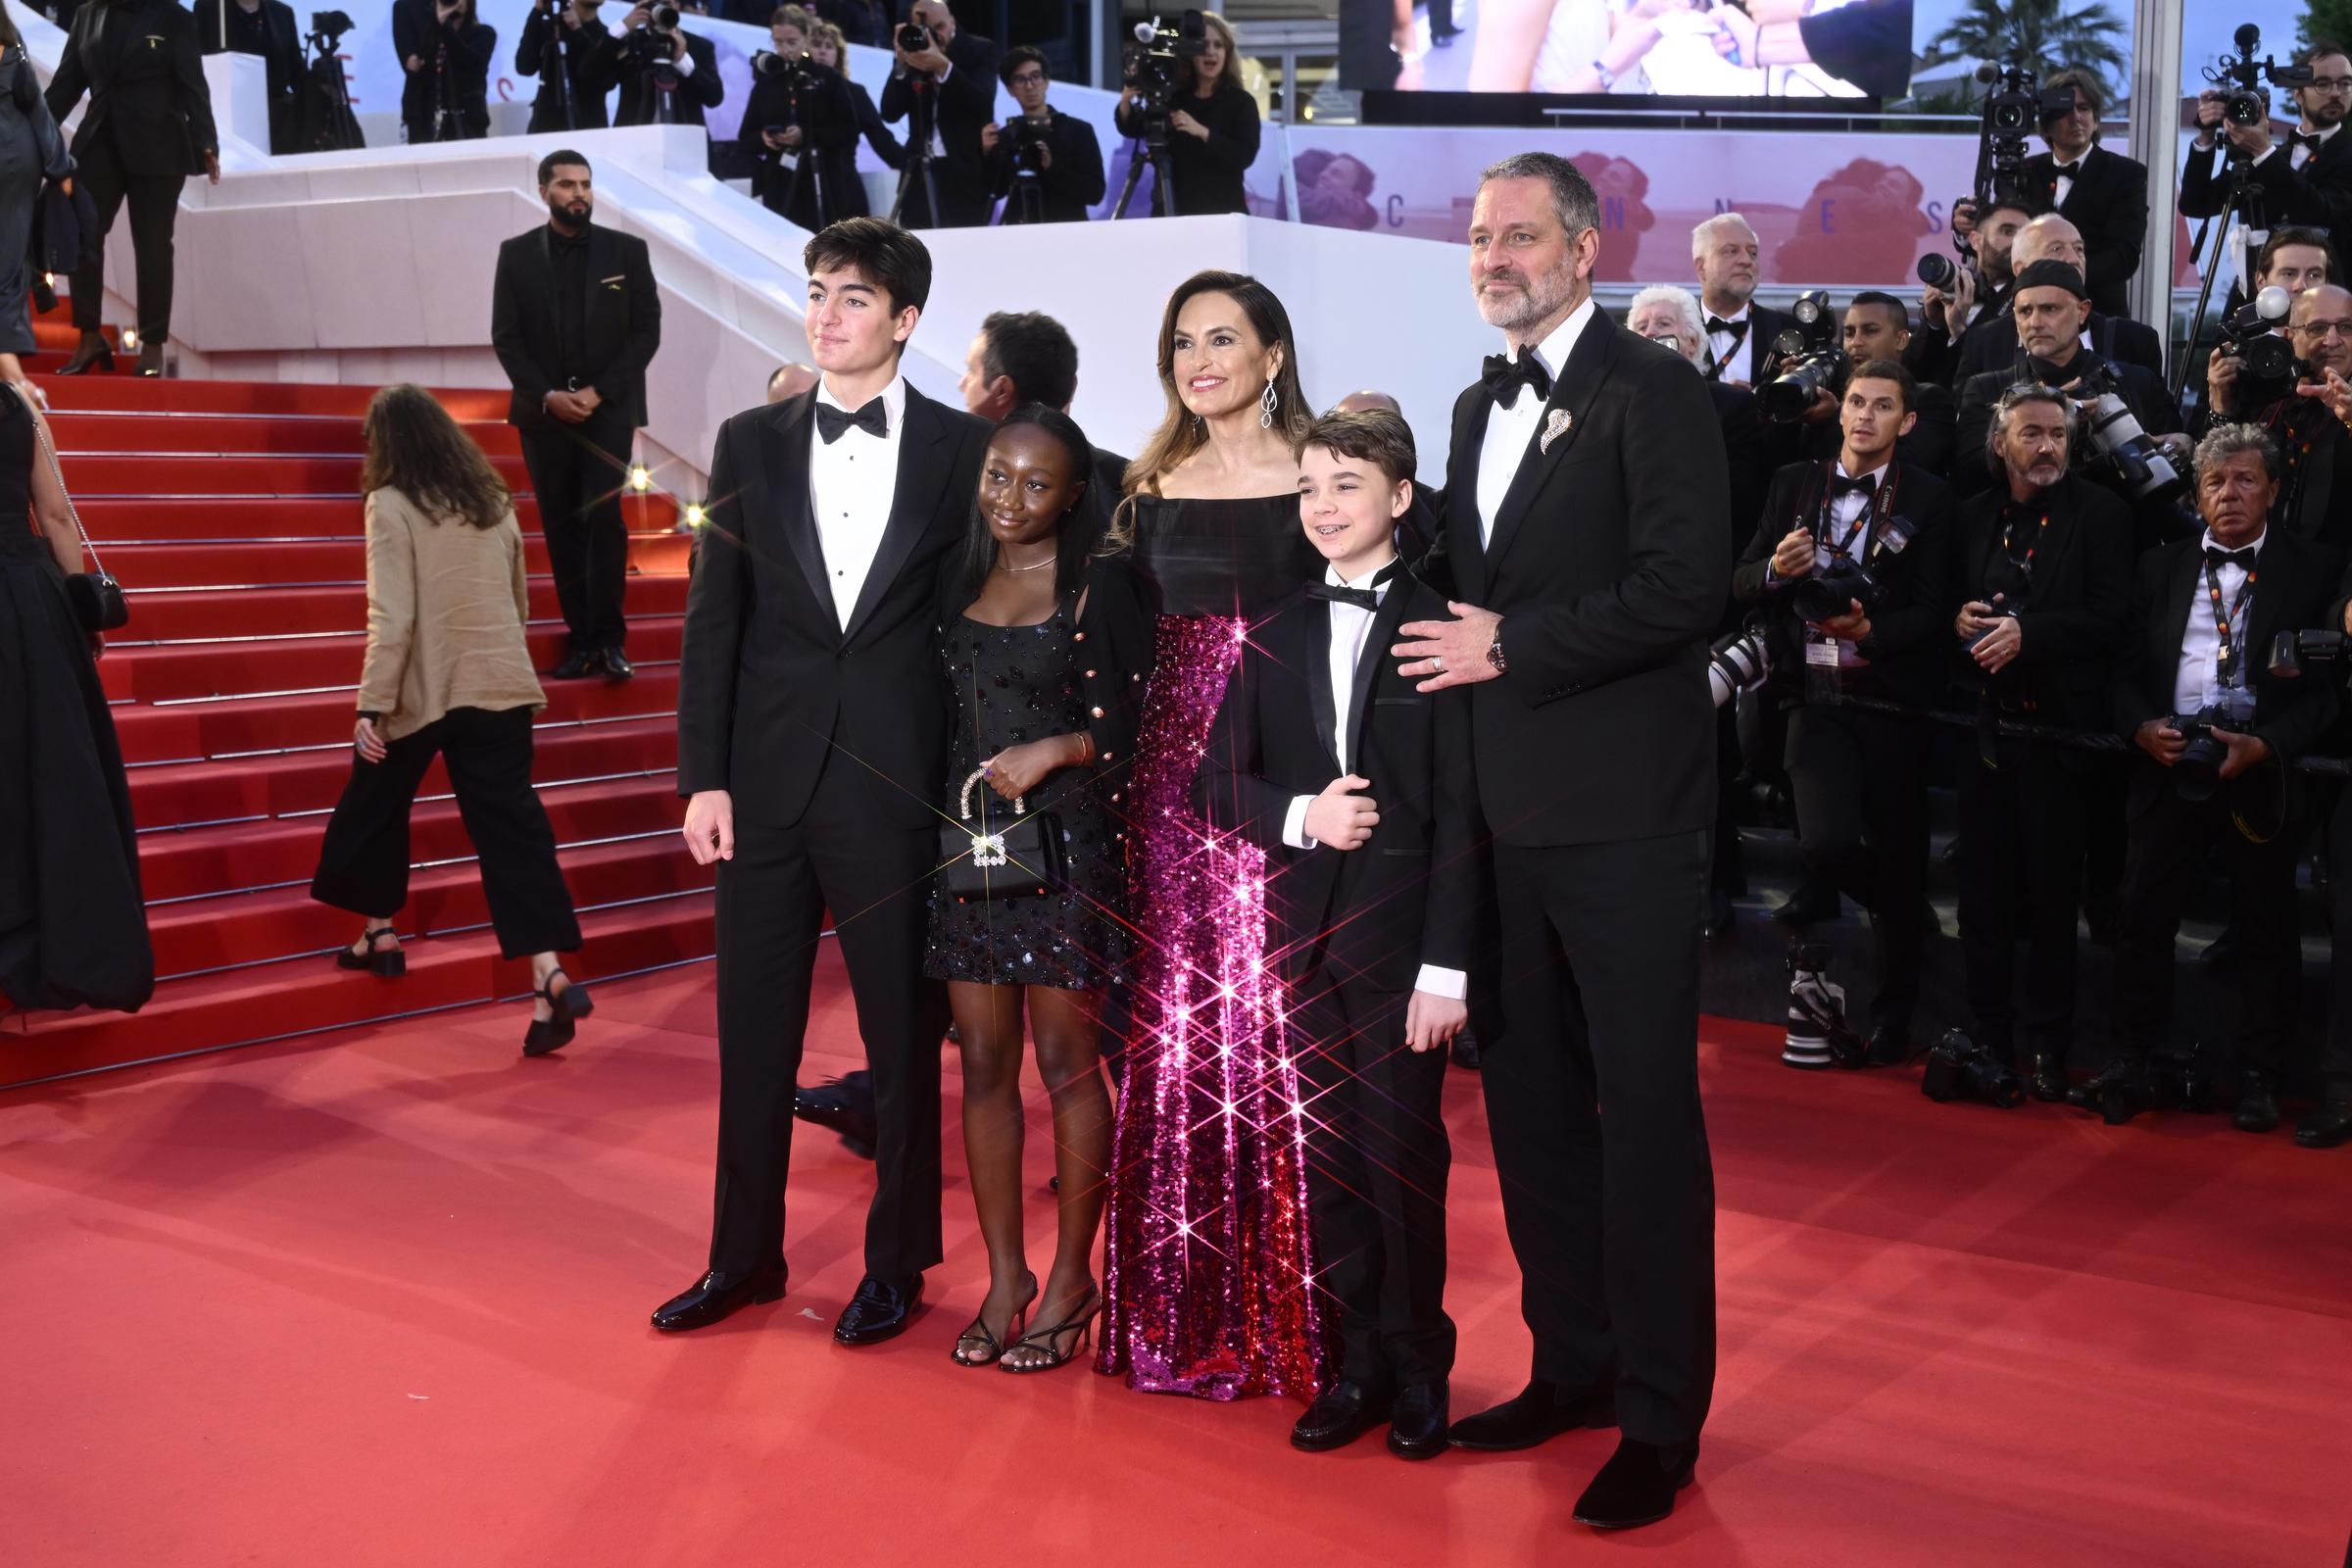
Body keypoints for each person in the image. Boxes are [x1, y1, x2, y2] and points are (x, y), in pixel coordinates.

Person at [1391, 152, 1726, 1532]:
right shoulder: (1474, 405)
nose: (1492, 258)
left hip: (1631, 826)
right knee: (1528, 1123)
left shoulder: (1656, 392)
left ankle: (1661, 1417)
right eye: (1478, 237)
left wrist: (1513, 643)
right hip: (1506, 824)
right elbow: (1464, 601)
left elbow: (1684, 591)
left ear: (1585, 250)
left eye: (1519, 235)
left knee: (1644, 1124)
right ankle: (1573, 1367)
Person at [661, 218, 991, 1339]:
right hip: (762, 787)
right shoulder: (750, 441)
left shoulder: (960, 452)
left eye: (852, 298)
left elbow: (968, 636)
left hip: (897, 791)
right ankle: (739, 1257)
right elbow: (715, 626)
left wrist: (965, 788)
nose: (825, 315)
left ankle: (895, 1264)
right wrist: (703, 777)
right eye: (815, 292)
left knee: (901, 1042)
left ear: (904, 320)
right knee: (752, 1034)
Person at [1198, 408, 1473, 1459]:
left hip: (1406, 950)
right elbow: (1211, 780)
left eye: (1346, 485)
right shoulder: (1273, 624)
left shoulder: (1446, 623)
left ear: (1400, 499)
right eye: (1309, 486)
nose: (1323, 505)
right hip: (1301, 943)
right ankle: (1352, 1363)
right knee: (1330, 1163)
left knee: (1403, 1159)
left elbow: (1462, 811)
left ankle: (1418, 1366)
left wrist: (1448, 966)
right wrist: (1299, 814)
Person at [1095, 269, 1325, 1400]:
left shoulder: (1321, 478)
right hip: (1171, 780)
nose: (1199, 359)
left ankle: (1296, 1313)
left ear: (1273, 354)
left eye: (1223, 338)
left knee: (1280, 1020)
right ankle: (1172, 1314)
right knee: (1177, 1029)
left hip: (1283, 765)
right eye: (1182, 339)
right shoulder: (1148, 487)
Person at [928, 405, 1152, 1375]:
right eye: (997, 476)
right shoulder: (953, 566)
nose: (1010, 498)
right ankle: (1006, 1274)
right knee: (982, 1062)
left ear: (1072, 494)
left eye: (1035, 483)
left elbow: (1149, 720)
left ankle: (1071, 1276)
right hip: (968, 848)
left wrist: (1058, 745)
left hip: (1069, 850)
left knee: (1067, 1061)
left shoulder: (1105, 579)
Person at [308, 386, 591, 1054]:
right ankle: (547, 973)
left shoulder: (389, 503)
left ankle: (379, 929)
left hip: (424, 689)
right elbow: (518, 602)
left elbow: (393, 616)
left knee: (373, 805)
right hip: (499, 686)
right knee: (514, 836)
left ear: (386, 443)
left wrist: (371, 704)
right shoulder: (494, 503)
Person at [2087, 424, 2340, 1129]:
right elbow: (2122, 673)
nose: (2230, 494)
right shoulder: (2157, 566)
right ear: (2196, 495)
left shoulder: (2316, 569)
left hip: (2261, 767)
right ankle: (2131, 1057)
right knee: (2141, 916)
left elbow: (2328, 695)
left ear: (2275, 491)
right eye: (2215, 483)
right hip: (2169, 758)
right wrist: (2141, 727)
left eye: (2246, 480)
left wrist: (2267, 746)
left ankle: (2261, 1077)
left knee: (2266, 927)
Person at [1730, 361, 1953, 1064]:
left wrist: (1872, 635)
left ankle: (1893, 1021)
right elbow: (1740, 580)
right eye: (1856, 402)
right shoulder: (1792, 483)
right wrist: (1777, 570)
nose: (1864, 416)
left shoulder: (1934, 497)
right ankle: (1897, 901)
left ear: (1906, 422)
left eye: (1882, 405)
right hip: (1813, 699)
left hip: (1891, 698)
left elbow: (1938, 609)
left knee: (1899, 847)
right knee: (1825, 843)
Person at [1948, 383, 2132, 1101]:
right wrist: (1960, 623)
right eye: (2031, 434)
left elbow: (2114, 617)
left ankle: (2050, 1050)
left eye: (2057, 434)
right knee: (1982, 901)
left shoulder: (2105, 515)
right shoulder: (1971, 517)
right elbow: (1943, 608)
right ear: (2002, 444)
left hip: (2062, 738)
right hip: (1985, 736)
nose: (2047, 446)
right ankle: (1986, 1039)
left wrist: (2034, 635)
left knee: (2055, 900)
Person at [0, 378, 153, 1015]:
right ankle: (53, 950)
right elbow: (56, 514)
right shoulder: (16, 405)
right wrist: (82, 617)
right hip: (27, 606)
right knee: (46, 778)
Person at [489, 150, 662, 683]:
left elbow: (645, 331)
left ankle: (609, 640)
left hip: (607, 412)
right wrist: (546, 394)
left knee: (603, 521)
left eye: (585, 184)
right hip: (544, 416)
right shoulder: (515, 255)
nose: (579, 193)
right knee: (562, 527)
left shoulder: (626, 250)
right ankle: (581, 640)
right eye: (567, 184)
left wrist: (597, 392)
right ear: (543, 191)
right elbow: (507, 336)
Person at [1627, 282, 1765, 939]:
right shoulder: (1604, 409)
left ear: (1692, 344)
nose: (1651, 332)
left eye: (1666, 325)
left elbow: (1735, 505)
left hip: (1703, 606)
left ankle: (1710, 889)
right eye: (1640, 323)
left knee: (1701, 754)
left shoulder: (1730, 410)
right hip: (1622, 609)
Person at [44, 0, 221, 379]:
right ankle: (89, 336)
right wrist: (29, 134)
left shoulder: (175, 17)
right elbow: (65, 86)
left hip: (160, 147)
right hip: (99, 142)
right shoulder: (87, 15)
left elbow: (193, 85)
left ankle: (152, 345)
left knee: (153, 245)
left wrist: (206, 140)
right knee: (81, 233)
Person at [1953, 261, 2185, 511]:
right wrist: (2047, 415)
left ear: (2083, 311)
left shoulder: (2136, 382)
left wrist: (2182, 449)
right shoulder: (1987, 388)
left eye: (2050, 309)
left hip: (2122, 533)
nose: (2035, 322)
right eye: (2025, 312)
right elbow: (1969, 477)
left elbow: (2176, 483)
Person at [1951, 214, 2165, 385]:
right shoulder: (1984, 342)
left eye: (2079, 249)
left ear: (2083, 311)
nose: (2074, 259)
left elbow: (2161, 426)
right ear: (2021, 268)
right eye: (2056, 249)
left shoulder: (2136, 341)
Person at [2183, 39, 2352, 235]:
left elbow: (2320, 213)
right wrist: (2206, 137)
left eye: (2345, 83)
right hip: (2260, 266)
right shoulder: (2272, 157)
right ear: (2297, 92)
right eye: (2322, 84)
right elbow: (2194, 204)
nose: (2335, 93)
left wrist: (2262, 151)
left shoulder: (2268, 156)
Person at [2020, 69, 2146, 321]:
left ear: (2096, 118)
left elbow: (2124, 256)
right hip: (2031, 319)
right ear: (2046, 124)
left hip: (2100, 318)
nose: (2076, 118)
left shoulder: (2126, 173)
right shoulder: (2024, 172)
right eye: (2066, 110)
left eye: (2084, 108)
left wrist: (2057, 274)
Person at [1113, 9, 1259, 219]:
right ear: (1190, 53)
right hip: (1174, 214)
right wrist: (1126, 100)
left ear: (1227, 53)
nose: (1210, 52)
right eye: (1203, 45)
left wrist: (1202, 132)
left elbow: (1243, 155)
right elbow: (1134, 128)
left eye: (1218, 45)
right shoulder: (1175, 97)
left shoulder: (1240, 103)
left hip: (1221, 216)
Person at [741, 7, 862, 228]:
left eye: (792, 42)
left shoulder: (827, 78)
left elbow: (849, 130)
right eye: (778, 42)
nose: (784, 49)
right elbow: (746, 136)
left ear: (806, 38)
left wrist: (805, 136)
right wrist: (765, 138)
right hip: (778, 180)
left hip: (822, 179)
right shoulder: (767, 82)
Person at [0, 10, 72, 388]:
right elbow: (37, 109)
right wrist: (59, 165)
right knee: (10, 264)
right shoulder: (14, 50)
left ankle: (14, 378)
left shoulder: (13, 52)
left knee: (10, 265)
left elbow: (37, 109)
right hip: (17, 162)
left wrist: (59, 165)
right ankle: (14, 374)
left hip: (12, 167)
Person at [879, 0, 997, 228]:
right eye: (926, 29)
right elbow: (890, 112)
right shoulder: (912, 52)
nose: (934, 35)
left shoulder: (980, 50)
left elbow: (982, 103)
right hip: (917, 174)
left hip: (962, 174)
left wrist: (944, 67)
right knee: (916, 251)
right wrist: (902, 64)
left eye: (939, 27)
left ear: (953, 22)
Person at [1911, 194, 2031, 389]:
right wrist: (1934, 324)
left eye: (2024, 235)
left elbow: (1998, 377)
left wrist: (1959, 332)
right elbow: (1918, 377)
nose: (2017, 242)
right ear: (1975, 240)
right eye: (2007, 231)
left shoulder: (2030, 301)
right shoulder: (1955, 289)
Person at [984, 46, 1103, 225]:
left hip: (1068, 232)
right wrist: (986, 153)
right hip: (1018, 232)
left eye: (1035, 77)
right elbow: (995, 191)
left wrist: (1052, 167)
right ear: (1009, 89)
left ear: (1047, 80)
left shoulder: (1079, 131)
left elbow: (1095, 193)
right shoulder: (1007, 136)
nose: (1030, 86)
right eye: (1020, 80)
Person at [1690, 212, 1788, 387]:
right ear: (1701, 266)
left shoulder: (1788, 330)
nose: (1746, 260)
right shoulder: (1677, 330)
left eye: (1753, 253)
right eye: (1731, 251)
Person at [194, 0, 304, 154]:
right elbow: (197, 62)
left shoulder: (282, 13)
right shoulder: (209, 9)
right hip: (227, 117)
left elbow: (296, 70)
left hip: (276, 118)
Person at [595, 0, 723, 127]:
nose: (662, 9)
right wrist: (622, 27)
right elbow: (593, 78)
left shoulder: (699, 46)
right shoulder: (631, 40)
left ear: (677, 6)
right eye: (657, 3)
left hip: (685, 139)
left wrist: (683, 60)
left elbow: (714, 98)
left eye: (667, 4)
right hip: (633, 138)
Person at [808, 18, 901, 189]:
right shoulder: (794, 89)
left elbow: (880, 137)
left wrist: (908, 165)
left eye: (828, 46)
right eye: (816, 45)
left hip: (842, 185)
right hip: (803, 185)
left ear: (839, 54)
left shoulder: (854, 92)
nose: (822, 51)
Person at [394, 0, 495, 144]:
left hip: (466, 120)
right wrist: (437, 20)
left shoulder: (483, 33)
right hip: (426, 119)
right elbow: (420, 65)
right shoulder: (432, 33)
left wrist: (446, 27)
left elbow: (468, 62)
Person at [514, 0, 612, 134]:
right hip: (547, 124)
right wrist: (537, 11)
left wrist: (578, 30)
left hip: (590, 126)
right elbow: (524, 67)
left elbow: (603, 79)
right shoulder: (549, 28)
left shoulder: (606, 36)